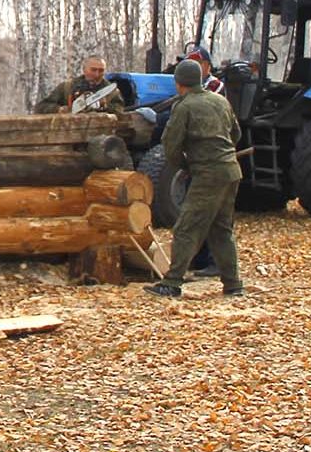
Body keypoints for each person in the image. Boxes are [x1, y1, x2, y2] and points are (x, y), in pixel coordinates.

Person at [145, 58, 245, 298]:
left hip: (208, 174)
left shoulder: (184, 106)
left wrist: (186, 165)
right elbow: (236, 133)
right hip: (231, 171)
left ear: (179, 84)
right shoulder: (220, 101)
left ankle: (172, 282)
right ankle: (233, 285)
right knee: (221, 229)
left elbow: (170, 145)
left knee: (185, 228)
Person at [32, 56, 128, 115]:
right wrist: (60, 109)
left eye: (101, 70)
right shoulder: (68, 87)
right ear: (84, 70)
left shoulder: (111, 91)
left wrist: (105, 106)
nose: (97, 74)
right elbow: (41, 107)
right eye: (93, 70)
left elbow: (120, 110)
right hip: (70, 132)